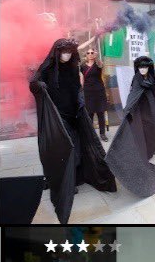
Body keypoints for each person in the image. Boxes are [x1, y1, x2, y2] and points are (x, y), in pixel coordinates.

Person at [29, 39, 116, 223]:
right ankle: (61, 181)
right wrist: (39, 86)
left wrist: (80, 101)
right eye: (64, 52)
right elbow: (33, 83)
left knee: (77, 147)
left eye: (70, 52)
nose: (67, 55)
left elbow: (76, 87)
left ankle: (73, 177)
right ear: (57, 53)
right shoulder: (47, 67)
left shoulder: (73, 67)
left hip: (73, 114)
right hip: (56, 116)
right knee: (62, 148)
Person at [104, 55, 155, 198]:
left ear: (149, 67)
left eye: (145, 67)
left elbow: (152, 92)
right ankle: (144, 152)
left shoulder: (151, 78)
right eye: (140, 67)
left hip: (149, 108)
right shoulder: (137, 78)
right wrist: (129, 109)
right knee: (142, 131)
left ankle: (151, 148)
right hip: (140, 109)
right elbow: (133, 94)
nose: (142, 69)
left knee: (151, 129)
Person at [81, 48, 108, 141]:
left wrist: (97, 57)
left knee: (101, 113)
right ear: (86, 55)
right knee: (89, 114)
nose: (90, 54)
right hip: (88, 92)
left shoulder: (98, 64)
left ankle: (102, 134)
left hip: (99, 91)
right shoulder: (82, 66)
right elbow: (81, 79)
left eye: (92, 52)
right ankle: (91, 135)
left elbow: (102, 65)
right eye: (88, 53)